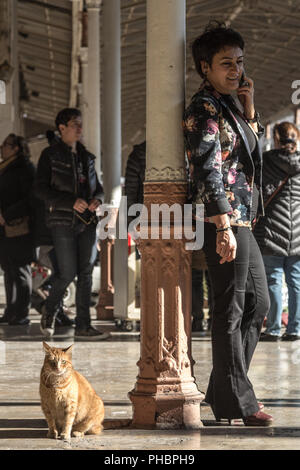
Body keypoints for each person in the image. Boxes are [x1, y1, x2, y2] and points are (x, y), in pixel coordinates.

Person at [183, 21, 272, 426]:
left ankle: (222, 390)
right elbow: (207, 168)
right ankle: (238, 400)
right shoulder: (203, 108)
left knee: (258, 303)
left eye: (239, 62)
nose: (235, 70)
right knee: (231, 309)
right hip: (220, 217)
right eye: (225, 63)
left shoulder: (232, 105)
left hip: (243, 217)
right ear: (205, 67)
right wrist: (220, 225)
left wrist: (249, 106)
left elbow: (254, 152)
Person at [35, 108, 108, 339]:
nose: (79, 128)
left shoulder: (87, 157)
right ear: (61, 128)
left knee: (86, 272)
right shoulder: (50, 155)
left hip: (87, 221)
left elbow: (99, 189)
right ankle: (49, 309)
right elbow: (40, 189)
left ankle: (83, 326)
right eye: (74, 124)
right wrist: (70, 202)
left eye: (80, 124)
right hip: (62, 221)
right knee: (67, 273)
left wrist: (98, 199)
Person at [254, 122, 300, 341]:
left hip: (272, 229)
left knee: (273, 280)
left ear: (276, 139)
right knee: (296, 282)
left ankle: (273, 328)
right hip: (299, 231)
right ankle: (294, 329)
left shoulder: (267, 160)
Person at [0, 134, 36, 325]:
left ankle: (22, 312)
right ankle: (11, 310)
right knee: (8, 269)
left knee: (21, 269)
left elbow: (30, 199)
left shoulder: (24, 168)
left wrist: (7, 215)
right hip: (4, 229)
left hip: (19, 226)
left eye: (5, 145)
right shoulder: (4, 168)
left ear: (16, 148)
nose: (1, 148)